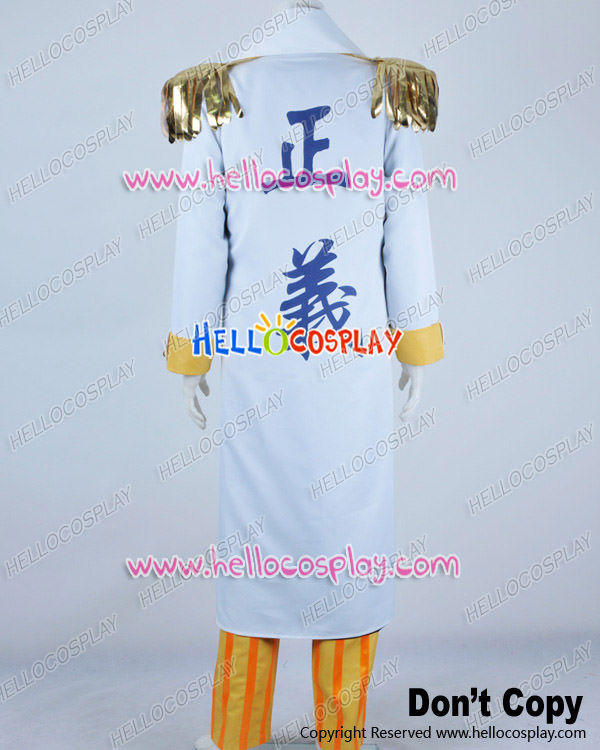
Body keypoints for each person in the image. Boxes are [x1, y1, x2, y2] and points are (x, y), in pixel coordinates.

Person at [161, 2, 444, 748]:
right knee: (346, 531)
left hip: (259, 360)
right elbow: (407, 229)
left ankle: (236, 733)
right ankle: (340, 734)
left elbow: (201, 237)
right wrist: (414, 349)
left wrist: (194, 354)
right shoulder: (386, 94)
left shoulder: (219, 97)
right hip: (352, 362)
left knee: (255, 539)